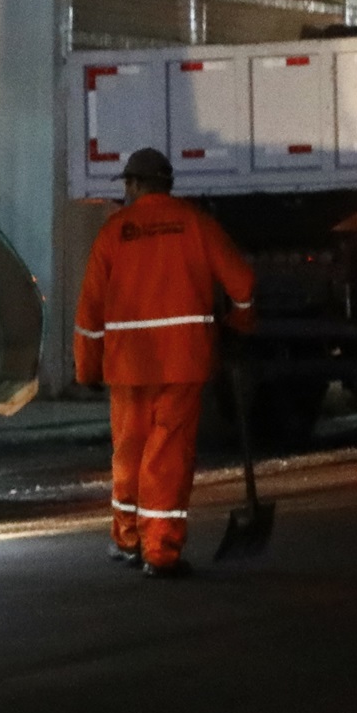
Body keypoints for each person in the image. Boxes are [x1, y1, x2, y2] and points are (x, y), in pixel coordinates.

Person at [73, 147, 256, 578]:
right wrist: (240, 323)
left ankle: (127, 539)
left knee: (129, 453)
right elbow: (243, 283)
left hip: (128, 366)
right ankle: (161, 551)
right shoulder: (196, 224)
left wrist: (87, 369)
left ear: (134, 185)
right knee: (167, 455)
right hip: (183, 362)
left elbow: (90, 311)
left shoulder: (114, 232)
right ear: (168, 184)